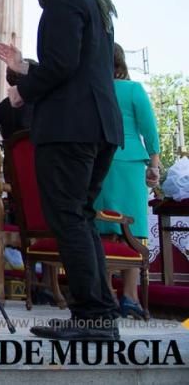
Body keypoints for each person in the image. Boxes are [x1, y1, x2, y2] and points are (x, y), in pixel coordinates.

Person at [0, 0, 123, 341]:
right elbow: (76, 66)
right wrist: (25, 66)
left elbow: (63, 65)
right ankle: (99, 313)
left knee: (67, 218)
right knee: (79, 217)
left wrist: (22, 91)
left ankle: (92, 316)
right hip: (99, 126)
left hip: (70, 128)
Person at [93, 43, 161, 320]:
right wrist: (154, 165)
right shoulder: (133, 90)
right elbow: (149, 129)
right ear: (122, 62)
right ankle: (130, 297)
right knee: (131, 231)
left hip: (100, 161)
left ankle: (107, 293)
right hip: (131, 162)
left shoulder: (94, 89)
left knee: (103, 228)